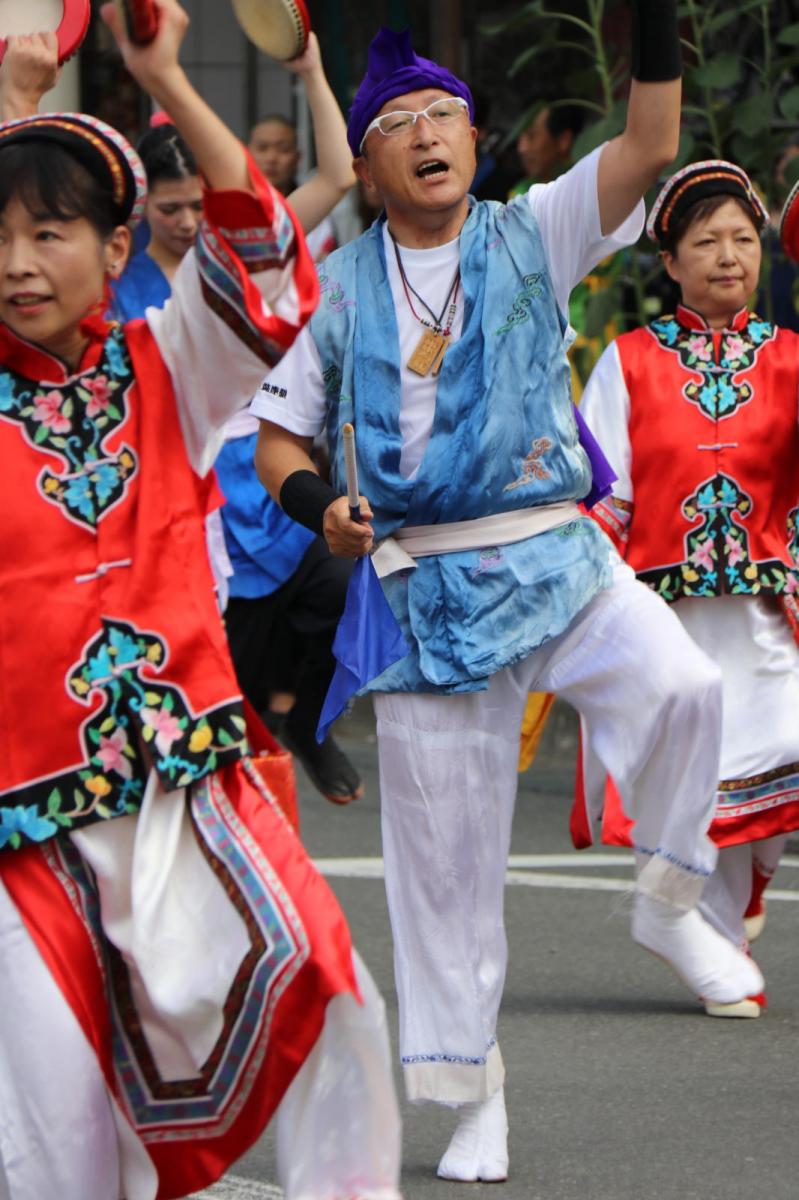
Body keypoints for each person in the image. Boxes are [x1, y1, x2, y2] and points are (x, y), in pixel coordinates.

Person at [250, 6, 764, 1184]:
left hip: (556, 553)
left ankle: (670, 892)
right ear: (371, 166)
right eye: (397, 123)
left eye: (442, 114)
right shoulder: (338, 291)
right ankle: (471, 1088)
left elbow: (647, 140)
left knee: (685, 687)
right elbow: (280, 436)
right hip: (428, 588)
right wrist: (318, 501)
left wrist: (651, 25)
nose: (425, 133)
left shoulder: (533, 229)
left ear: (474, 138)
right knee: (445, 868)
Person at [0, 10, 401, 1199]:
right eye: (0, 238)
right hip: (22, 820)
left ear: (117, 242)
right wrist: (14, 86)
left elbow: (264, 255)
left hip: (186, 792)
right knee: (57, 1144)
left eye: (50, 233)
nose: (18, 262)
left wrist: (164, 73)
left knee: (328, 995)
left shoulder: (166, 364)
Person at [109, 37, 364, 806]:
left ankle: (313, 723)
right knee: (222, 682)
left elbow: (337, 176)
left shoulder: (240, 257)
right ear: (138, 210)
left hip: (266, 472)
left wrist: (312, 72)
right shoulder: (111, 277)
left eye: (197, 204)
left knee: (341, 579)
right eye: (170, 208)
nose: (189, 222)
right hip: (180, 496)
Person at [576, 159, 799, 960]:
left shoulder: (791, 360)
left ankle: (748, 892)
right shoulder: (627, 361)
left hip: (768, 617)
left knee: (778, 754)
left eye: (743, 239)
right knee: (691, 779)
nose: (728, 256)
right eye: (706, 241)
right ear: (669, 262)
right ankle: (714, 942)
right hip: (663, 621)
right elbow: (599, 492)